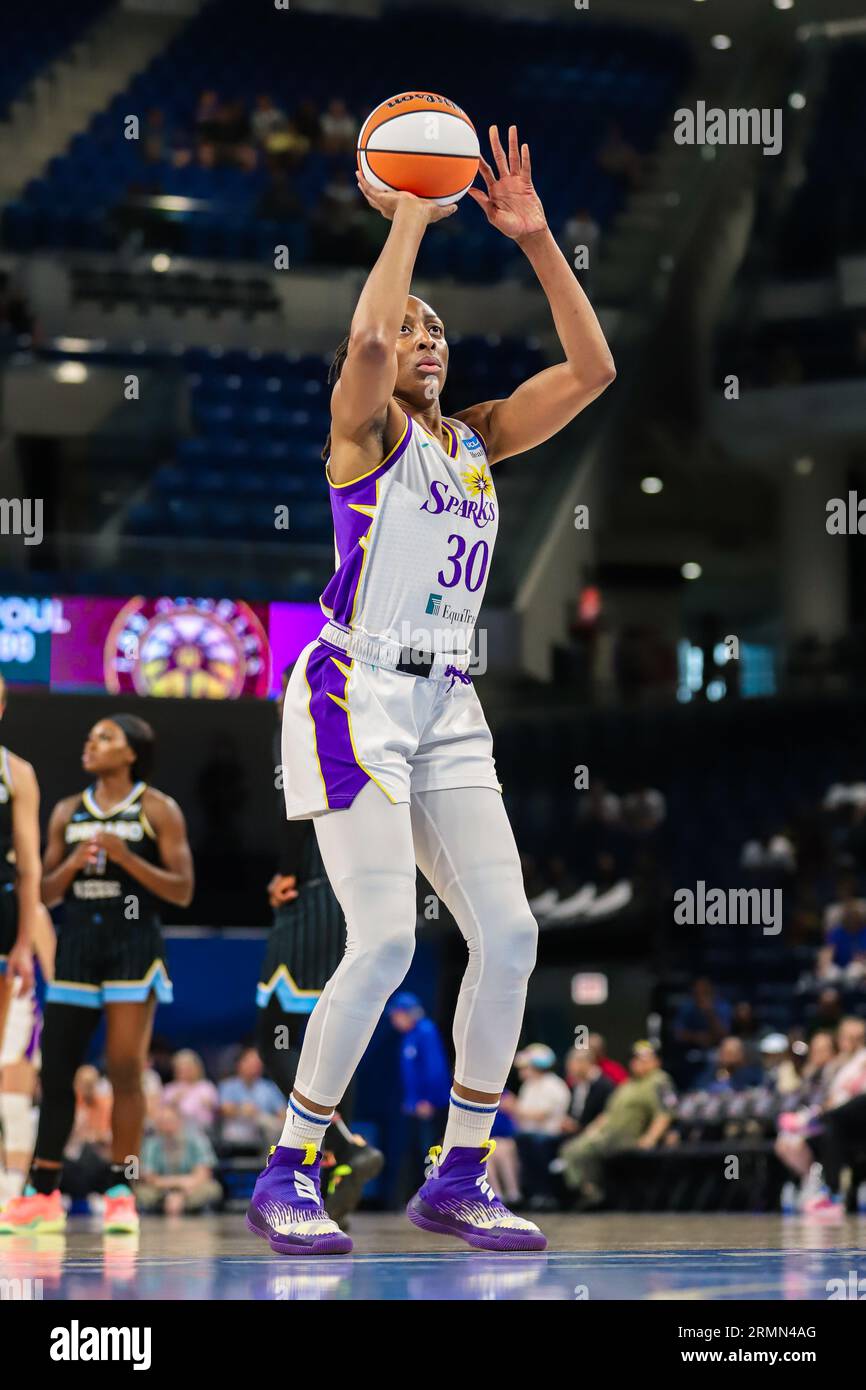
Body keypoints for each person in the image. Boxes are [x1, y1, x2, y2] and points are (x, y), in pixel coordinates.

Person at [246, 121, 615, 1256]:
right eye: (412, 327)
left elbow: (593, 371)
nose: (424, 339)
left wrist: (537, 237)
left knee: (508, 934)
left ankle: (460, 1172)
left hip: (448, 701)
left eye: (437, 330)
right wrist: (408, 208)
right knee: (383, 942)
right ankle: (289, 1169)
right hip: (349, 686)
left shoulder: (473, 440)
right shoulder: (360, 435)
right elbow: (362, 333)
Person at [2, 715, 194, 1235]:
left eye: (105, 737)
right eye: (89, 737)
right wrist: (73, 866)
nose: (91, 743)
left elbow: (182, 890)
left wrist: (126, 858)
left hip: (134, 946)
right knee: (58, 1070)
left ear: (131, 752)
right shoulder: (67, 810)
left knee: (125, 1069)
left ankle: (120, 1189)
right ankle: (41, 1193)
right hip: (79, 947)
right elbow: (43, 892)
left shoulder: (157, 808)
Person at [256, 666, 384, 1222]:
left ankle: (349, 1147)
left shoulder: (307, 727)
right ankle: (331, 1171)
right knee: (336, 1041)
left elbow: (296, 811)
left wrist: (285, 872)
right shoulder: (370, 734)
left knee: (273, 1037)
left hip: (311, 898)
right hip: (355, 899)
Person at [0, 675, 45, 1208]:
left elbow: (30, 865)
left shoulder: (18, 773)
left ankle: (13, 1193)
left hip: (5, 913)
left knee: (11, 1069)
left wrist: (22, 945)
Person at [558, 1041, 677, 1209]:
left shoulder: (659, 1081)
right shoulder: (628, 1084)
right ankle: (589, 1192)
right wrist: (591, 1131)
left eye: (645, 1059)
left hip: (628, 1138)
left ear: (656, 1062)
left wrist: (650, 1138)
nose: (638, 1063)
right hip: (607, 1135)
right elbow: (607, 1114)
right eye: (635, 1059)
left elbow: (665, 1113)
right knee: (572, 1148)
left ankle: (593, 1194)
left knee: (577, 1152)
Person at [388, 992, 451, 1203]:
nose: (393, 1020)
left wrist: (428, 1100)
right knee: (416, 1150)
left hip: (429, 1106)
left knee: (430, 1149)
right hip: (416, 1105)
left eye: (396, 1015)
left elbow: (435, 1069)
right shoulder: (409, 1036)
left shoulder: (425, 1031)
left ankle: (433, 1198)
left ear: (407, 1014)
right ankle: (421, 1196)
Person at [512, 1044, 571, 1208]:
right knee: (521, 1141)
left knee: (533, 1143)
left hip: (550, 1137)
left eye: (526, 1067)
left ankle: (545, 1195)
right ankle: (529, 1194)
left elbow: (541, 1115)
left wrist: (514, 1108)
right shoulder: (528, 1086)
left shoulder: (554, 1085)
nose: (522, 1071)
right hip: (529, 1136)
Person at [138, 1103, 221, 1215]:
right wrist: (178, 1184)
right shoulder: (151, 1144)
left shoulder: (197, 1139)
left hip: (192, 1187)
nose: (166, 1125)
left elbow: (203, 1173)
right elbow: (149, 1177)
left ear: (179, 1120)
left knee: (211, 1189)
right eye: (161, 1122)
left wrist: (181, 1194)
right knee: (142, 1192)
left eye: (169, 1120)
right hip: (161, 1188)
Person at [218, 1047, 284, 1150]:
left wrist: (262, 1116)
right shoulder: (228, 1085)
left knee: (274, 1126)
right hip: (236, 1136)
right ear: (240, 1064)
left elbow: (282, 1113)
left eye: (257, 1063)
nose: (254, 1067)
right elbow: (224, 1109)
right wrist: (241, 1109)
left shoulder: (269, 1087)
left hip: (264, 1136)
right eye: (250, 1063)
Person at [162, 1050, 220, 1134]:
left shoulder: (207, 1087)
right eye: (182, 1069)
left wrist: (209, 1104)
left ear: (197, 1069)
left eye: (189, 1068)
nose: (186, 1072)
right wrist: (173, 1102)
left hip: (205, 1131)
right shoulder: (170, 1089)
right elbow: (163, 1112)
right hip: (177, 1132)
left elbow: (217, 1109)